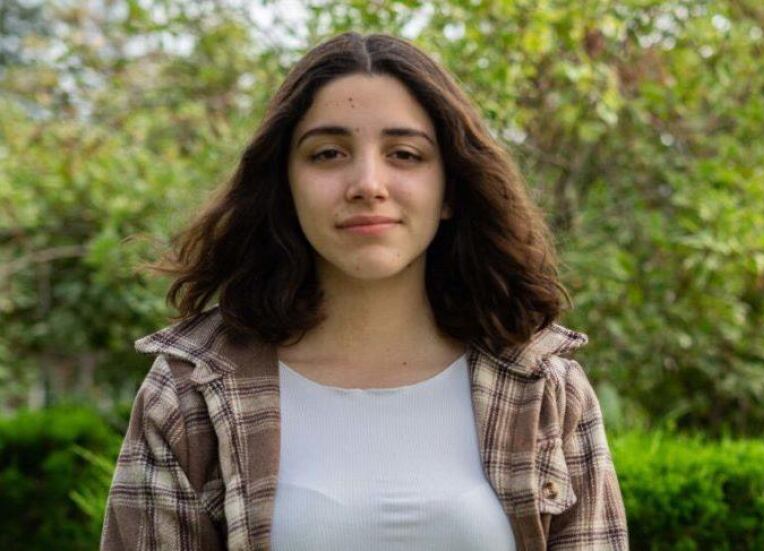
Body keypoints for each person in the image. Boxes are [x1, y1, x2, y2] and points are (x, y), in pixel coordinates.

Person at [100, 31, 628, 550]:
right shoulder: (190, 388)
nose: (367, 184)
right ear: (284, 186)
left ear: (450, 190)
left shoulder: (544, 387)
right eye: (328, 154)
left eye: (405, 154)